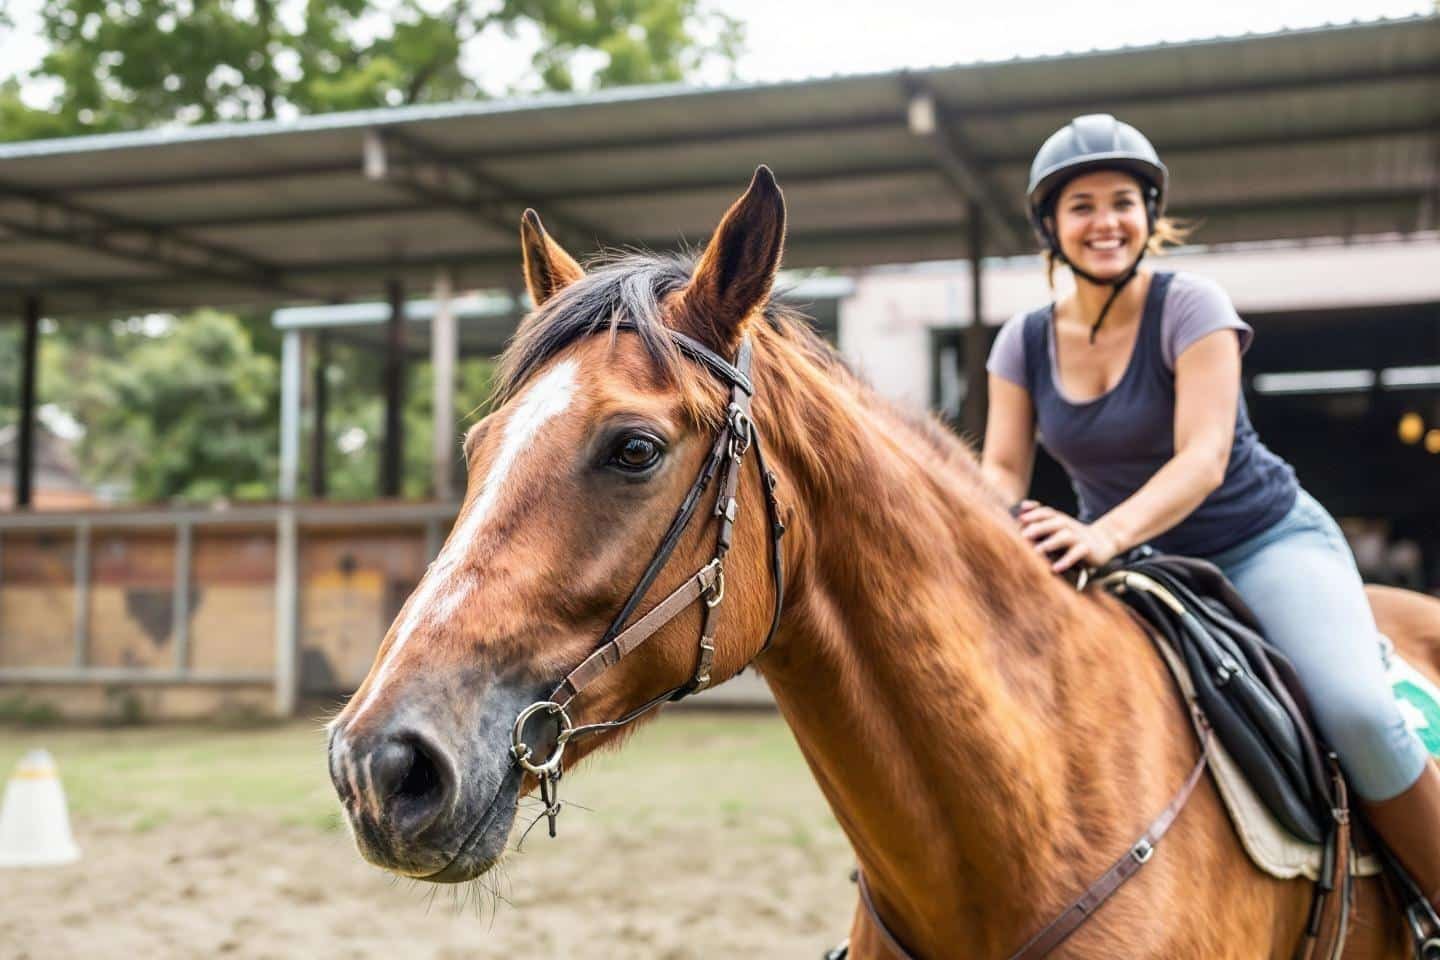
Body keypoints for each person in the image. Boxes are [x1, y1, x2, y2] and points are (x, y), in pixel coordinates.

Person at [979, 113, 1439, 908]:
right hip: (1133, 567)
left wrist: (1102, 533)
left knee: (1357, 711)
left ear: (1149, 214)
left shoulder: (1192, 305)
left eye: (1122, 200)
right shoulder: (1022, 342)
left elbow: (1203, 458)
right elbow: (1001, 470)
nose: (1104, 221)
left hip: (1257, 542)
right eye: (1081, 205)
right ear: (1051, 225)